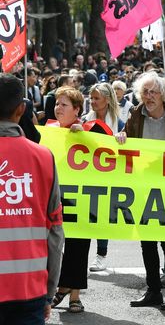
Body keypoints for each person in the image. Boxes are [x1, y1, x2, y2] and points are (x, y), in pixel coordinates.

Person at [116, 71, 165, 311]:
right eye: (144, 92)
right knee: (147, 242)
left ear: (164, 95)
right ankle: (153, 291)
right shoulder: (135, 116)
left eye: (152, 92)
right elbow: (126, 139)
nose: (148, 96)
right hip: (143, 187)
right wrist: (121, 135)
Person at [0, 74, 64, 325]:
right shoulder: (43, 158)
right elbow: (55, 232)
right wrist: (49, 294)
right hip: (28, 288)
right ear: (22, 109)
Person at [47, 86, 90, 314]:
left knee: (78, 245)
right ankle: (61, 286)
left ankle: (74, 295)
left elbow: (111, 148)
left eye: (64, 105)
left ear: (77, 110)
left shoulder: (91, 130)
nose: (58, 108)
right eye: (56, 104)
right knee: (55, 245)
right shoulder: (49, 130)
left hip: (82, 199)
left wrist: (83, 135)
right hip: (54, 197)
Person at [81, 83, 124, 272]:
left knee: (102, 217)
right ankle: (81, 256)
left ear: (107, 100)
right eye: (91, 98)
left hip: (109, 176)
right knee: (86, 215)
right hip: (87, 174)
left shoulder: (120, 123)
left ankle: (101, 255)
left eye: (97, 98)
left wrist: (124, 137)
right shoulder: (84, 121)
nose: (93, 102)